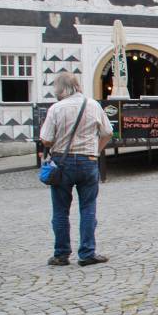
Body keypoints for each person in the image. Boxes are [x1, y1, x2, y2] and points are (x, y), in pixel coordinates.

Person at [39, 72, 114, 266]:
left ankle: (61, 254)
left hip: (61, 163)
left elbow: (46, 139)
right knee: (88, 208)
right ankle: (87, 253)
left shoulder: (56, 108)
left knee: (60, 210)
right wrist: (95, 151)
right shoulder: (93, 105)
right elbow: (108, 132)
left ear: (60, 89)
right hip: (88, 160)